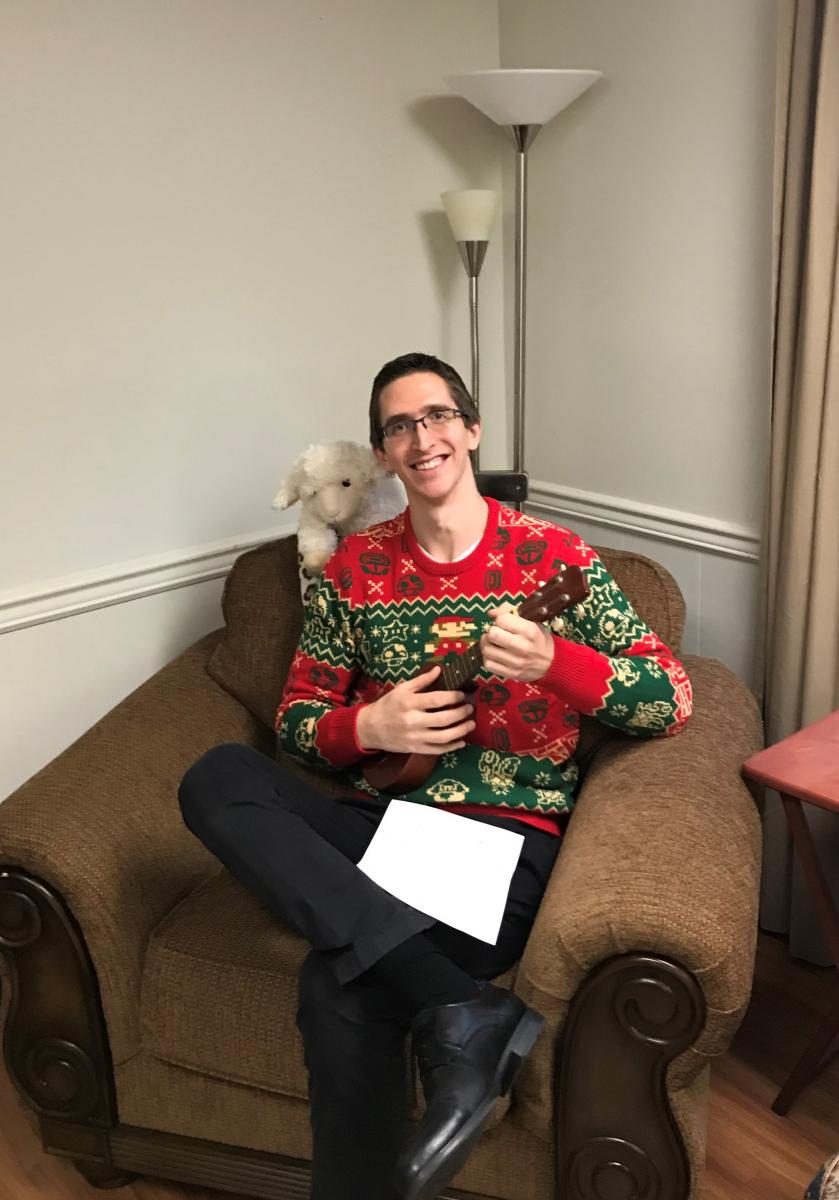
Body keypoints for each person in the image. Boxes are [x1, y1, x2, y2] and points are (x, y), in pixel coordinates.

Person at [178, 351, 693, 1200]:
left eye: (438, 416)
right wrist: (366, 726)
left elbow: (669, 698)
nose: (422, 438)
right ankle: (465, 1009)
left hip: (506, 848)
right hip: (392, 833)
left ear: (472, 428)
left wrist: (558, 663)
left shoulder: (554, 558)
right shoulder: (354, 571)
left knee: (335, 981)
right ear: (382, 453)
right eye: (399, 426)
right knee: (216, 776)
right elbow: (298, 723)